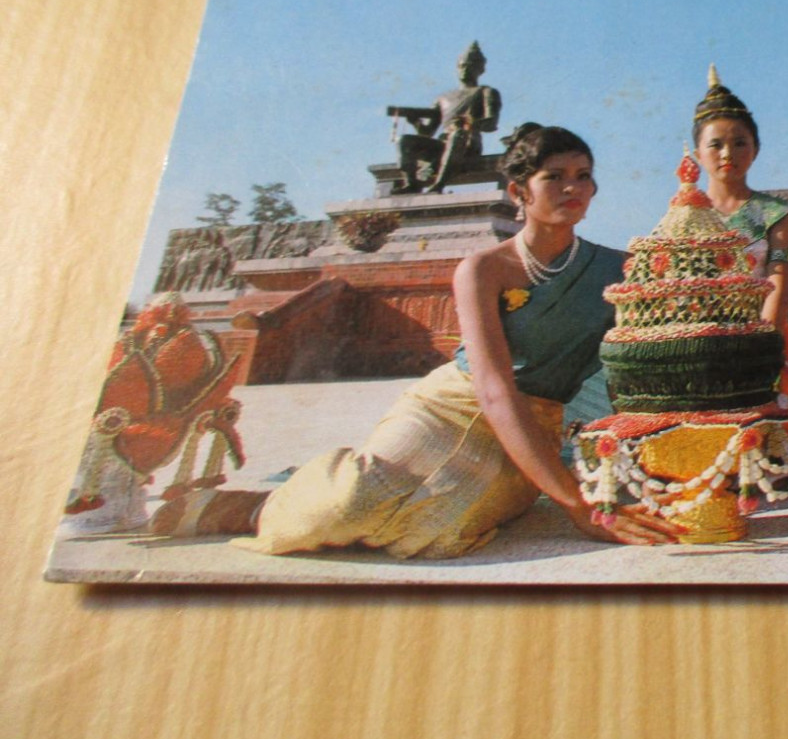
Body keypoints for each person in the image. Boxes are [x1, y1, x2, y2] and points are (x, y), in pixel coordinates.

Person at [150, 125, 681, 555]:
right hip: (451, 405)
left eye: (584, 176)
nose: (573, 188)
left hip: (535, 424)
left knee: (438, 531)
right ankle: (250, 509)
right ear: (519, 191)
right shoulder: (482, 269)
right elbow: (493, 390)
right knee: (353, 503)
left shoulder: (619, 267)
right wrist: (575, 507)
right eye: (555, 177)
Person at [689, 66, 788, 407]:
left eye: (739, 143)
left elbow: (779, 287)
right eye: (716, 145)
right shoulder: (686, 214)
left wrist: (760, 347)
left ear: (755, 149)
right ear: (698, 154)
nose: (728, 153)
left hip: (763, 339)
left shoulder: (776, 215)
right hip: (698, 343)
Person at [388, 41, 502, 193]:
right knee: (404, 141)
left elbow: (491, 124)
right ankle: (411, 183)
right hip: (443, 143)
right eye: (462, 65)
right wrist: (415, 121)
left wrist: (470, 123)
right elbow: (427, 132)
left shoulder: (486, 92)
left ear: (480, 69)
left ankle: (439, 184)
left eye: (470, 65)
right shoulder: (443, 98)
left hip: (467, 142)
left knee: (457, 135)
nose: (465, 69)